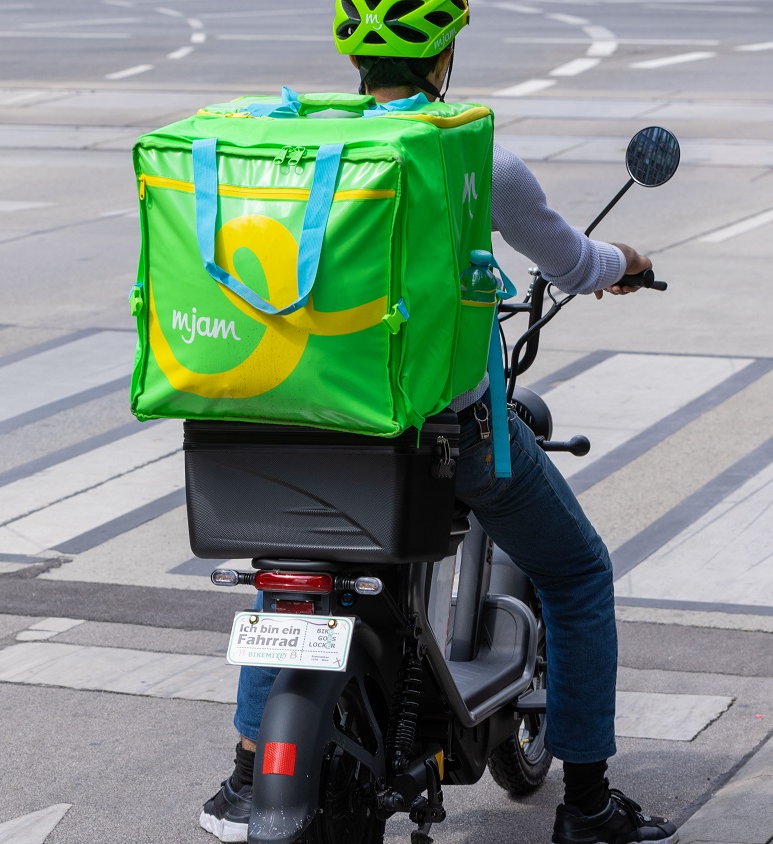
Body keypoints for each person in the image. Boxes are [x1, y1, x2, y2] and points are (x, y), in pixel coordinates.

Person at [199, 3, 680, 843]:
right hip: (432, 442)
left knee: (294, 569)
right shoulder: (470, 154)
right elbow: (572, 262)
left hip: (278, 431)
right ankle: (591, 804)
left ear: (349, 53)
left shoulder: (286, 143)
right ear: (446, 51)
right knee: (576, 575)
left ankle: (246, 772)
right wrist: (628, 264)